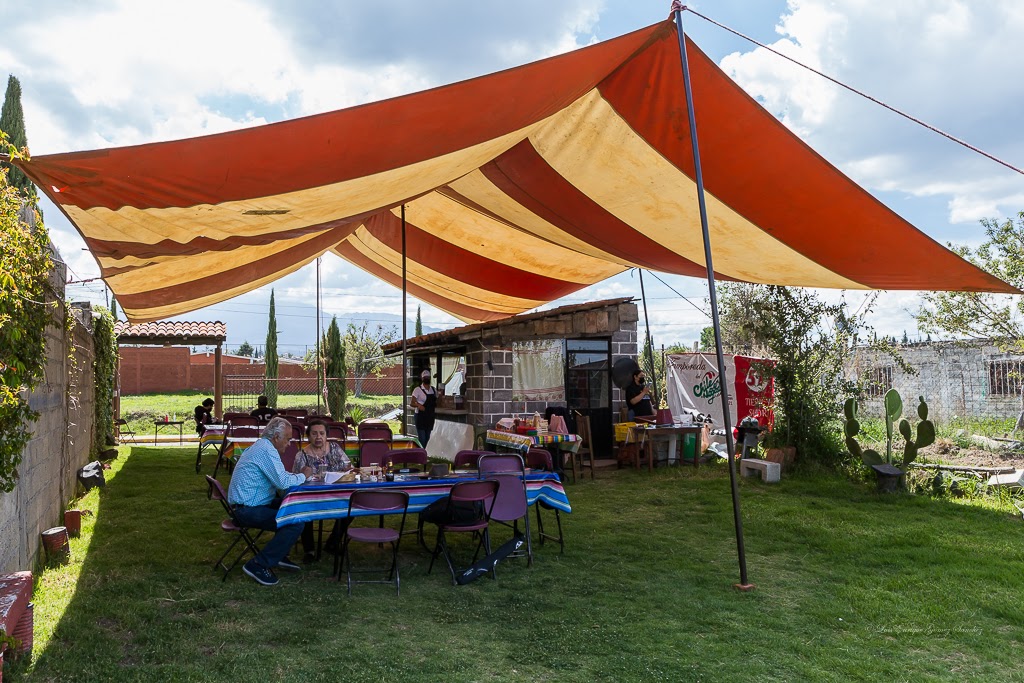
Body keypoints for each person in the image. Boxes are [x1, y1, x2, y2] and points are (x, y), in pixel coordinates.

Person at [227, 416, 313, 586]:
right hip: (246, 510)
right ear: (276, 437)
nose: (289, 444)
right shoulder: (266, 450)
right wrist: (304, 475)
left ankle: (279, 554)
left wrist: (296, 477)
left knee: (295, 508)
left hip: (249, 505)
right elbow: (282, 482)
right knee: (294, 522)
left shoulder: (263, 446)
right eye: (287, 439)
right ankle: (259, 564)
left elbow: (280, 477)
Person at [292, 419, 352, 562]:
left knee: (350, 508)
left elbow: (348, 465)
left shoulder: (335, 448)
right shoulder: (302, 455)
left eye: (321, 433)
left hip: (336, 493)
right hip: (312, 495)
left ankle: (333, 542)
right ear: (308, 436)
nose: (318, 437)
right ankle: (309, 550)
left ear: (326, 435)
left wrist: (346, 469)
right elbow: (296, 479)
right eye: (314, 434)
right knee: (304, 508)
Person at [410, 369, 437, 447]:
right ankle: (421, 454)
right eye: (425, 377)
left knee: (428, 437)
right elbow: (412, 403)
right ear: (422, 379)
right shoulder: (417, 390)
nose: (427, 379)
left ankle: (426, 454)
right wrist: (418, 405)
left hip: (430, 416)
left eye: (428, 377)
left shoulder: (433, 390)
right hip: (420, 417)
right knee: (422, 438)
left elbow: (437, 401)